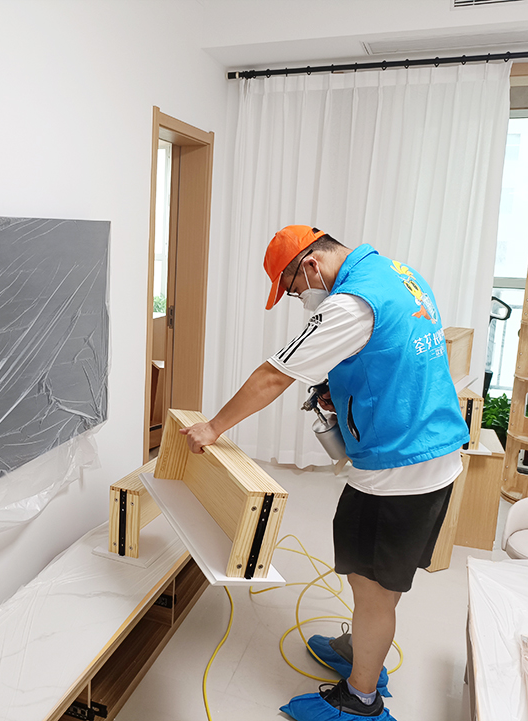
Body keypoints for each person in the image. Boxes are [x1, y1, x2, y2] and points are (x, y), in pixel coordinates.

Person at [180, 225, 469, 720]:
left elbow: (274, 376)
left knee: (371, 586)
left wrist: (213, 427)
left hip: (397, 467)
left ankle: (360, 699)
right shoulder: (396, 273)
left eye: (294, 289)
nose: (301, 299)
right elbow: (394, 353)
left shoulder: (349, 304)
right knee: (375, 577)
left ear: (310, 265)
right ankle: (362, 650)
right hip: (431, 448)